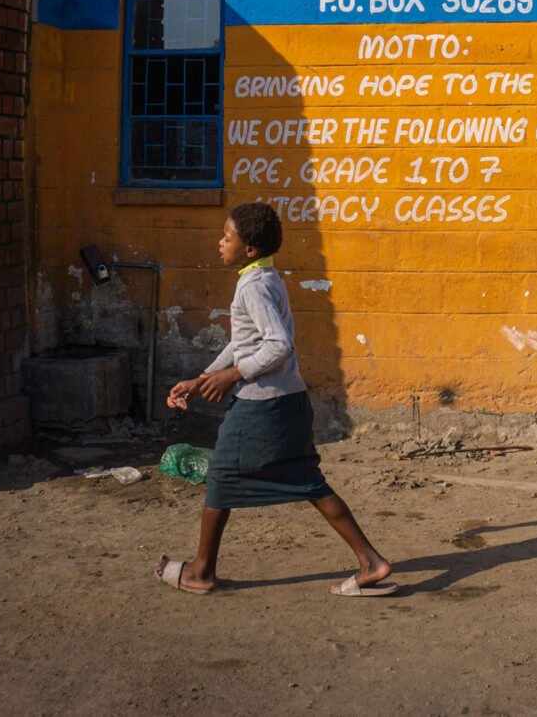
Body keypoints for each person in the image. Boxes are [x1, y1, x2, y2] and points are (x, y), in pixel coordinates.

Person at [154, 201, 397, 597]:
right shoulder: (266, 277)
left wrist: (232, 375)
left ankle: (201, 571)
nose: (219, 243)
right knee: (307, 482)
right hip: (288, 401)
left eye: (226, 237)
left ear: (248, 249)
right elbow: (244, 341)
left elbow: (278, 346)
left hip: (261, 406)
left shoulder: (253, 286)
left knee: (221, 478)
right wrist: (201, 380)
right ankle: (371, 563)